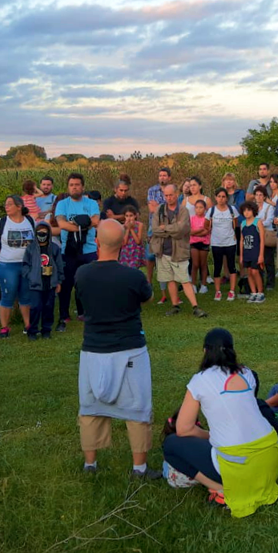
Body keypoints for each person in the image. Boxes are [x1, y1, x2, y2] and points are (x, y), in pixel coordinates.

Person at [163, 328, 278, 516]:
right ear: (232, 350)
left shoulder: (199, 380)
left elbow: (183, 429)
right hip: (271, 457)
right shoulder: (247, 374)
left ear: (205, 352)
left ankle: (221, 489)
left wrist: (208, 435)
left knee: (171, 445)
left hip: (238, 463)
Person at [74, 219, 161, 479]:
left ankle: (90, 464)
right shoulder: (133, 276)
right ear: (124, 242)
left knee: (90, 406)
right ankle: (139, 468)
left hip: (93, 349)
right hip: (130, 349)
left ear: (97, 242)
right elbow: (148, 298)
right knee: (137, 407)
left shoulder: (82, 274)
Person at [150, 184, 208, 318]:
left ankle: (195, 307)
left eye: (171, 195)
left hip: (179, 251)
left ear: (176, 194)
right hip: (163, 251)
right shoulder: (159, 209)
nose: (168, 198)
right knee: (169, 279)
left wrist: (165, 228)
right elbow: (155, 229)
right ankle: (175, 305)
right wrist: (171, 229)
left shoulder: (183, 211)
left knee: (184, 280)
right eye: (166, 195)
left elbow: (182, 230)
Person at [0, 196, 35, 338]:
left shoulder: (30, 221)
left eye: (9, 204)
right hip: (7, 265)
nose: (6, 207)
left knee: (26, 295)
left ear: (19, 206)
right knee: (9, 293)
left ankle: (28, 325)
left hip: (27, 265)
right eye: (5, 204)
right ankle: (4, 327)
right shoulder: (1, 222)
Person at [55, 173, 100, 326]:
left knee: (87, 283)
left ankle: (85, 312)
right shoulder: (62, 204)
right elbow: (61, 224)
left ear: (83, 186)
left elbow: (95, 221)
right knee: (66, 283)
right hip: (68, 251)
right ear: (68, 187)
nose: (75, 187)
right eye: (72, 185)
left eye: (77, 184)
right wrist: (82, 225)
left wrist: (76, 225)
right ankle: (64, 314)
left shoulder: (92, 203)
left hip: (88, 250)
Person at [23, 221, 64, 340]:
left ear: (49, 234)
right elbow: (25, 264)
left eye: (44, 233)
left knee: (49, 307)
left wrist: (59, 281)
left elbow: (60, 265)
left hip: (50, 282)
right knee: (35, 307)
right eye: (39, 233)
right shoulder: (31, 248)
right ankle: (32, 331)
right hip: (35, 283)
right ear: (35, 233)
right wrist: (30, 275)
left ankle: (46, 330)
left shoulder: (54, 248)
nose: (42, 235)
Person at [206, 188, 240, 302]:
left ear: (227, 198)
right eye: (219, 196)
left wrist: (234, 234)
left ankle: (231, 291)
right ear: (215, 198)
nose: (221, 199)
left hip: (230, 242)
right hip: (216, 242)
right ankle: (218, 291)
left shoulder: (232, 209)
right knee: (217, 266)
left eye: (223, 196)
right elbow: (206, 225)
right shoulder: (211, 211)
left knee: (231, 266)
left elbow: (235, 223)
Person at [147, 168, 172, 303]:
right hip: (154, 226)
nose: (162, 177)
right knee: (150, 256)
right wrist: (163, 207)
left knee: (165, 256)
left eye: (164, 175)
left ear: (169, 177)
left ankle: (168, 288)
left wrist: (159, 206)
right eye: (160, 175)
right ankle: (149, 284)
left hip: (168, 227)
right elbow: (152, 209)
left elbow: (172, 209)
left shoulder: (172, 191)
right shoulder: (152, 190)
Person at [239, 201, 265, 303]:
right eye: (244, 210)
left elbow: (262, 240)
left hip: (256, 252)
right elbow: (241, 240)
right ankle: (253, 292)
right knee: (249, 272)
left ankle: (260, 293)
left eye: (249, 210)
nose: (246, 212)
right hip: (246, 252)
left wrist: (261, 255)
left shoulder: (257, 222)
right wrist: (241, 255)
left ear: (253, 211)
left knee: (255, 271)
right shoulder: (243, 224)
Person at [254, 186, 277, 290]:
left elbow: (269, 221)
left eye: (260, 195)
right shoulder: (252, 207)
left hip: (267, 235)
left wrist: (258, 222)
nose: (258, 197)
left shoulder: (269, 207)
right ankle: (260, 280)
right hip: (256, 236)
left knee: (268, 260)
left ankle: (270, 282)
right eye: (257, 195)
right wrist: (260, 221)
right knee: (258, 260)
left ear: (264, 197)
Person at [189, 200, 211, 292]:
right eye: (197, 207)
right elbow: (190, 232)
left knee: (203, 264)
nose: (198, 209)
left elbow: (207, 231)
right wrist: (200, 230)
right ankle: (193, 284)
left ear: (205, 209)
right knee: (195, 264)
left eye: (201, 207)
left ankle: (203, 284)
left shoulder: (207, 219)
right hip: (194, 243)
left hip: (204, 243)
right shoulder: (192, 219)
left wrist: (196, 232)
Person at [119, 206, 146, 271]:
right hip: (126, 251)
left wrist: (131, 229)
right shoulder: (122, 227)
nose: (129, 218)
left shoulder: (139, 225)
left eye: (131, 216)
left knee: (134, 269)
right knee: (124, 269)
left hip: (136, 250)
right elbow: (124, 242)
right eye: (127, 216)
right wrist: (127, 229)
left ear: (135, 216)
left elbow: (138, 241)